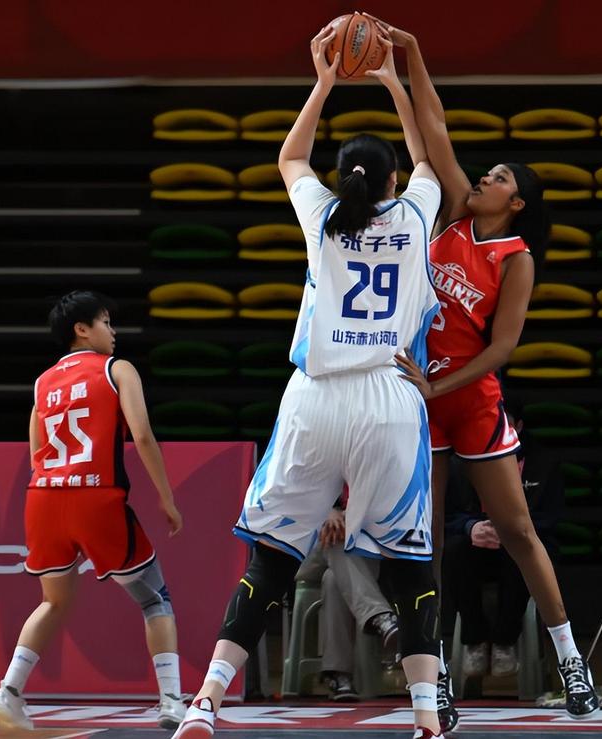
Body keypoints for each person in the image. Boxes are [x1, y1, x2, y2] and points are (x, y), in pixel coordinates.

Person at [173, 23, 445, 739]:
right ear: (393, 181)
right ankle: (426, 716)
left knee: (270, 560)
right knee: (409, 564)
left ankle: (204, 702)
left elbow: (290, 156)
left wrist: (325, 80)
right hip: (388, 397)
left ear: (344, 177)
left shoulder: (323, 215)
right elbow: (428, 153)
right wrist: (390, 78)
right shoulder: (416, 212)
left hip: (315, 396)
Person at [366, 15, 599, 724]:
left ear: (516, 202)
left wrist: (440, 384)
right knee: (427, 542)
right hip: (419, 395)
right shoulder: (449, 219)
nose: (485, 178)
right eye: (486, 172)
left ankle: (572, 661)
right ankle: (433, 676)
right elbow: (432, 128)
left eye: (498, 178)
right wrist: (405, 60)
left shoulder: (515, 257)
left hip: (469, 397)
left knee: (520, 532)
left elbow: (502, 350)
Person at [0, 291, 185, 732]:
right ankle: (172, 700)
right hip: (95, 496)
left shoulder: (42, 383)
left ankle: (9, 691)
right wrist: (166, 498)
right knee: (154, 598)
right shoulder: (117, 369)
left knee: (52, 602)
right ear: (81, 329)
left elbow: (36, 453)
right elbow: (143, 436)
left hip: (42, 497)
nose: (112, 332)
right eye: (105, 322)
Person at [443, 407, 563, 678]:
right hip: (479, 543)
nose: (493, 431)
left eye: (501, 424)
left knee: (522, 552)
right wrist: (470, 527)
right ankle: (474, 640)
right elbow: (445, 516)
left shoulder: (544, 463)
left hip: (523, 541)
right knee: (454, 550)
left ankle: (505, 642)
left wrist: (513, 529)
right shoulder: (459, 462)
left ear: (518, 427)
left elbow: (551, 517)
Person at [295, 502, 400, 701]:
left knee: (333, 579)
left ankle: (339, 675)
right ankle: (379, 616)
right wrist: (327, 511)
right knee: (336, 538)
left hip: (363, 550)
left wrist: (354, 518)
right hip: (312, 546)